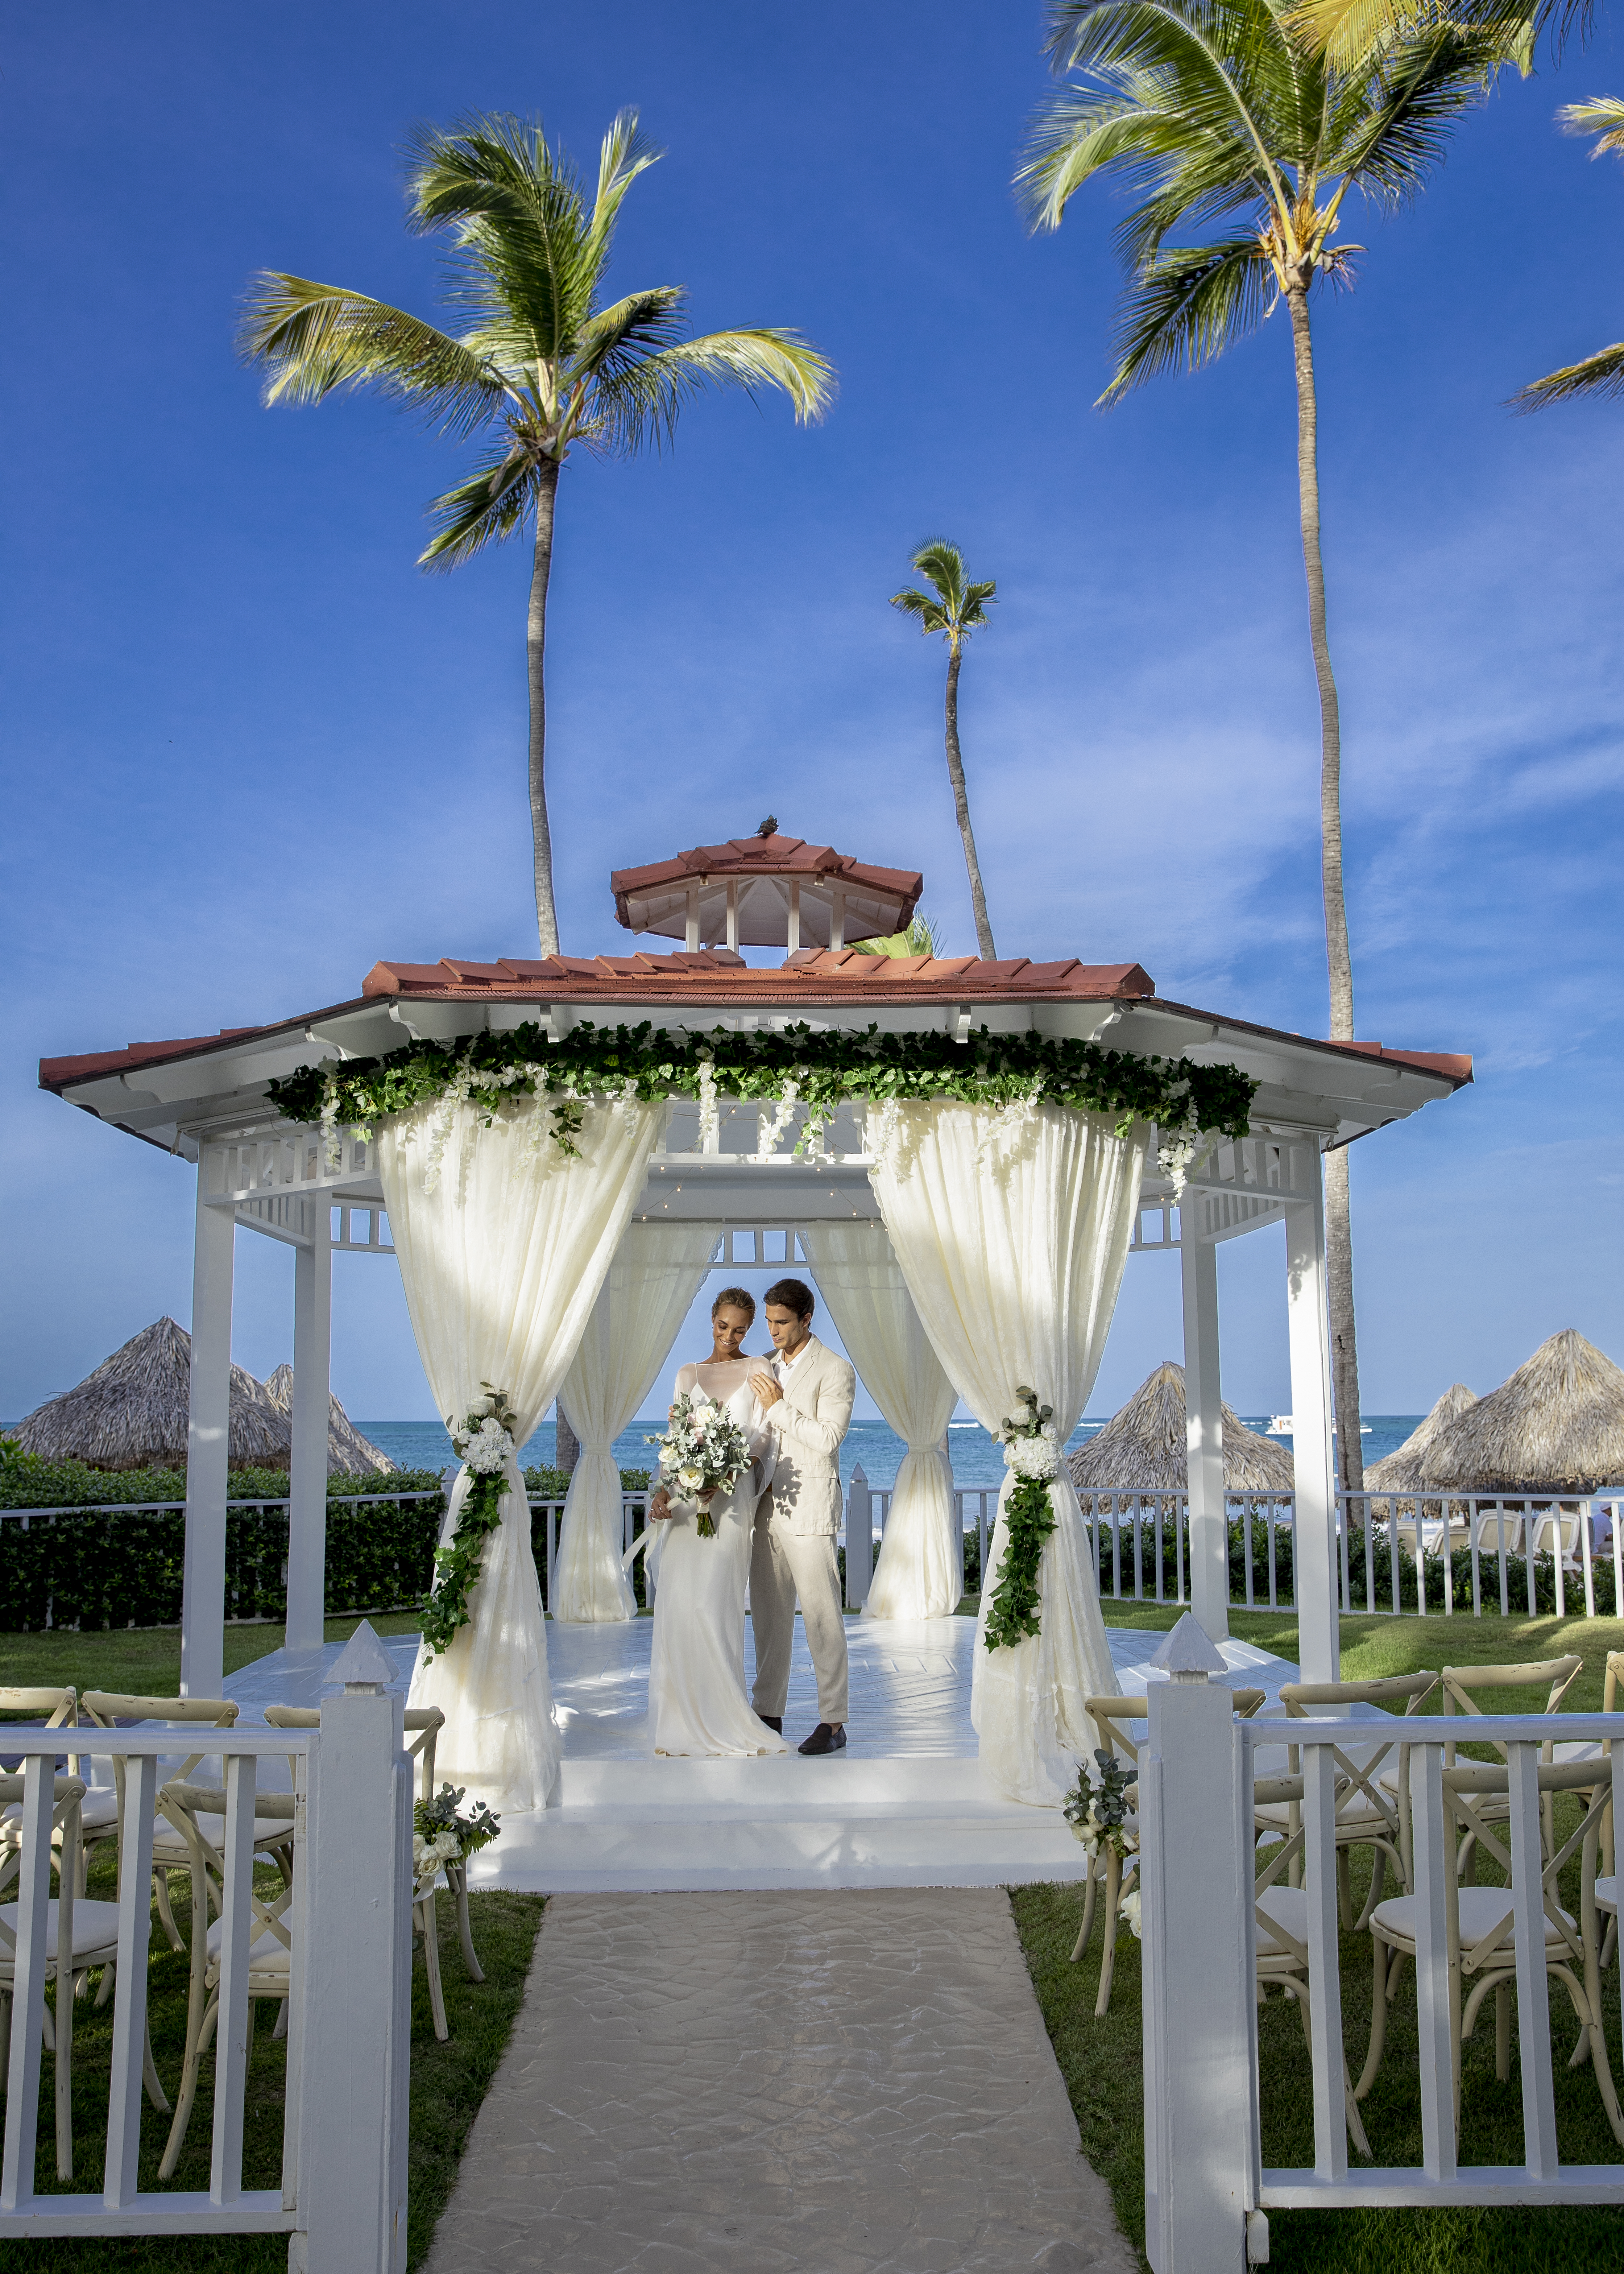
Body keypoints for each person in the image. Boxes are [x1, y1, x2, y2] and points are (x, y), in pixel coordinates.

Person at [644, 1289, 788, 1758]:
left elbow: (767, 1434)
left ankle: (722, 1711)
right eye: (723, 1326)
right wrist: (665, 1491)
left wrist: (731, 1470)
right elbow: (678, 1437)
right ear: (712, 1320)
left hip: (732, 1500)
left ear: (750, 1329)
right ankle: (682, 1716)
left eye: (741, 1329)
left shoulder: (758, 1369)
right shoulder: (689, 1374)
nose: (730, 1336)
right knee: (683, 1601)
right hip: (689, 1504)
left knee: (717, 1601)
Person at [749, 1278, 856, 1756]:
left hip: (810, 1509)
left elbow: (828, 1438)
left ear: (806, 1319)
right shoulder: (763, 1367)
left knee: (821, 1617)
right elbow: (754, 1433)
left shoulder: (836, 1370)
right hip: (763, 1508)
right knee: (769, 1617)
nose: (772, 1330)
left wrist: (778, 1407)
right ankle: (767, 1713)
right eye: (769, 1321)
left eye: (782, 1322)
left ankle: (833, 1723)